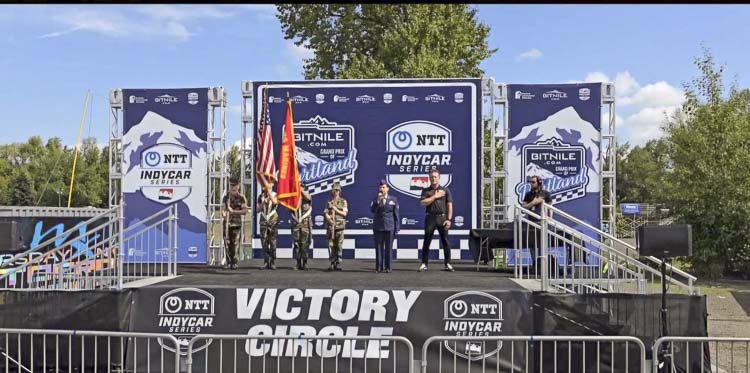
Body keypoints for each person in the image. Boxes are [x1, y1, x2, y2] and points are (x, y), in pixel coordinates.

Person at [418, 168, 455, 272]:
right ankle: (424, 263)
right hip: (430, 218)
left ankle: (447, 263)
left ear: (439, 178)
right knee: (426, 241)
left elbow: (450, 205)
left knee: (445, 242)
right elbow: (423, 203)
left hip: (442, 218)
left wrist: (449, 219)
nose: (433, 179)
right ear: (429, 178)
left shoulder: (446, 190)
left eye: (435, 177)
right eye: (431, 177)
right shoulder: (426, 191)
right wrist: (435, 196)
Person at [521, 175, 553, 270]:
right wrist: (533, 203)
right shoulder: (528, 194)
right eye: (531, 182)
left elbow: (551, 207)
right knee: (532, 243)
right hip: (531, 221)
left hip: (542, 222)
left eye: (533, 182)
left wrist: (550, 218)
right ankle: (535, 262)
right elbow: (523, 206)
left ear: (539, 183)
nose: (531, 184)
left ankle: (542, 263)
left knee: (542, 243)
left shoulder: (545, 193)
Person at [370, 179, 400, 273]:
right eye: (380, 187)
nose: (381, 189)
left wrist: (397, 227)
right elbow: (372, 210)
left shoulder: (393, 199)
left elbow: (396, 214)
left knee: (388, 248)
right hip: (378, 227)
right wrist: (378, 201)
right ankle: (378, 267)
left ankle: (388, 267)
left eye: (383, 187)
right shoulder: (375, 199)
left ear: (387, 189)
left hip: (390, 227)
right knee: (378, 248)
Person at [222, 177, 248, 270]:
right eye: (231, 185)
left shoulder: (241, 198)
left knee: (235, 243)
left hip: (236, 224)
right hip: (227, 223)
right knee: (227, 243)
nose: (233, 187)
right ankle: (228, 262)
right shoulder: (226, 197)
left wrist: (233, 212)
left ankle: (234, 262)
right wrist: (224, 214)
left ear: (238, 186)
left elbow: (244, 211)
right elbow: (223, 209)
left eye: (235, 185)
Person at [324, 182, 348, 271]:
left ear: (340, 191)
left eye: (337, 190)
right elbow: (326, 213)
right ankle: (332, 263)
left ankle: (337, 262)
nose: (336, 192)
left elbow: (344, 214)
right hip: (331, 227)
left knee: (338, 245)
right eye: (334, 190)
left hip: (339, 227)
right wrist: (329, 220)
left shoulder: (343, 201)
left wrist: (335, 209)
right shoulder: (329, 202)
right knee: (331, 245)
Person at [257, 181, 279, 270]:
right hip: (263, 221)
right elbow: (258, 210)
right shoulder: (260, 196)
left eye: (268, 185)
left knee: (272, 242)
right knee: (264, 242)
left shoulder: (275, 195)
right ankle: (266, 261)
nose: (266, 187)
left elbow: (275, 202)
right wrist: (263, 202)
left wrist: (269, 194)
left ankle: (272, 262)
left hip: (273, 220)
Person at [291, 187, 313, 270]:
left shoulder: (308, 198)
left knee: (305, 245)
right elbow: (289, 209)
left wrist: (300, 189)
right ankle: (298, 263)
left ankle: (305, 262)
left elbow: (308, 197)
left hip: (305, 225)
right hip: (296, 224)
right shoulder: (294, 199)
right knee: (297, 245)